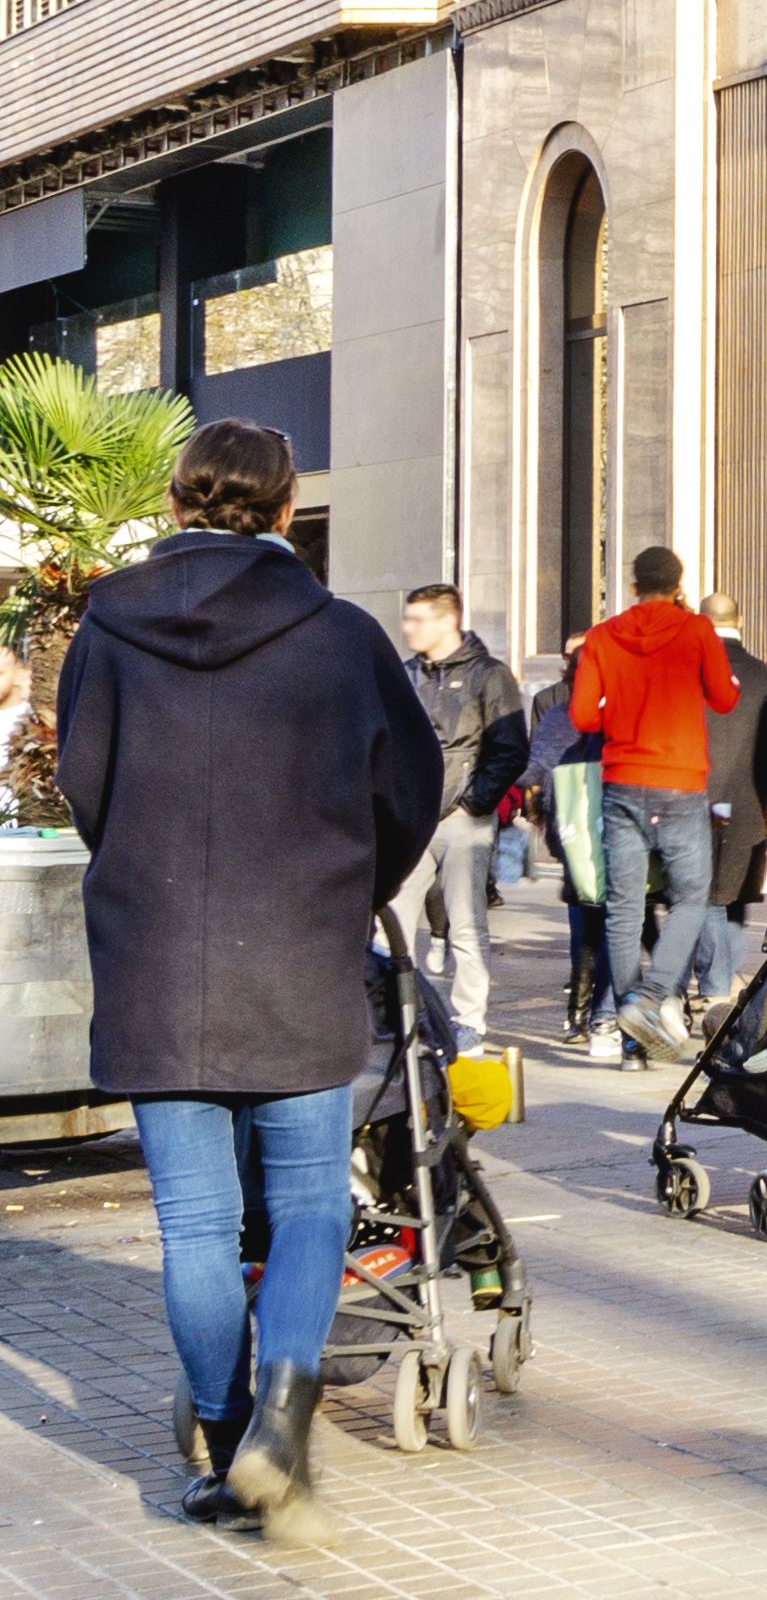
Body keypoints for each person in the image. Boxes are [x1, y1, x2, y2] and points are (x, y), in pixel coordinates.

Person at [56, 416, 439, 1547]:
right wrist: (348, 880)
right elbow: (407, 792)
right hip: (299, 952)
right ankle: (286, 1398)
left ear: (177, 505)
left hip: (156, 959)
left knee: (193, 1224)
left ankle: (230, 1447)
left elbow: (86, 784)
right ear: (284, 511)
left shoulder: (107, 627)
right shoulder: (340, 634)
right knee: (315, 1192)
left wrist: (138, 871)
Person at [569, 543, 738, 1067]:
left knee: (624, 909)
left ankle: (630, 1044)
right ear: (679, 584)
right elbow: (724, 698)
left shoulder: (601, 637)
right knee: (690, 898)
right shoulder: (697, 632)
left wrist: (617, 713)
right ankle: (651, 996)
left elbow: (582, 717)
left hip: (623, 782)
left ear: (633, 584)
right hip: (682, 782)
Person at [392, 584, 528, 1055]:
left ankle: (469, 1020)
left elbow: (509, 746)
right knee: (393, 919)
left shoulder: (488, 675)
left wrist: (476, 802)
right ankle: (400, 1016)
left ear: (447, 621)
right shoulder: (406, 674)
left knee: (466, 923)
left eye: (416, 619)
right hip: (412, 816)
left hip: (462, 819)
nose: (407, 628)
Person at [688, 594, 767, 1027]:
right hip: (749, 798)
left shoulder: (691, 670)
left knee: (705, 893)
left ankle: (714, 989)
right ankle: (722, 981)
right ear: (740, 618)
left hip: (697, 794)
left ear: (700, 622)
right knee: (734, 894)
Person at [523, 662, 611, 1039]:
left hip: (573, 831)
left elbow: (537, 766)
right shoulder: (608, 714)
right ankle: (599, 1013)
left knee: (587, 921)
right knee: (609, 924)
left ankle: (580, 1013)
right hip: (605, 827)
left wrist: (533, 803)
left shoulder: (561, 715)